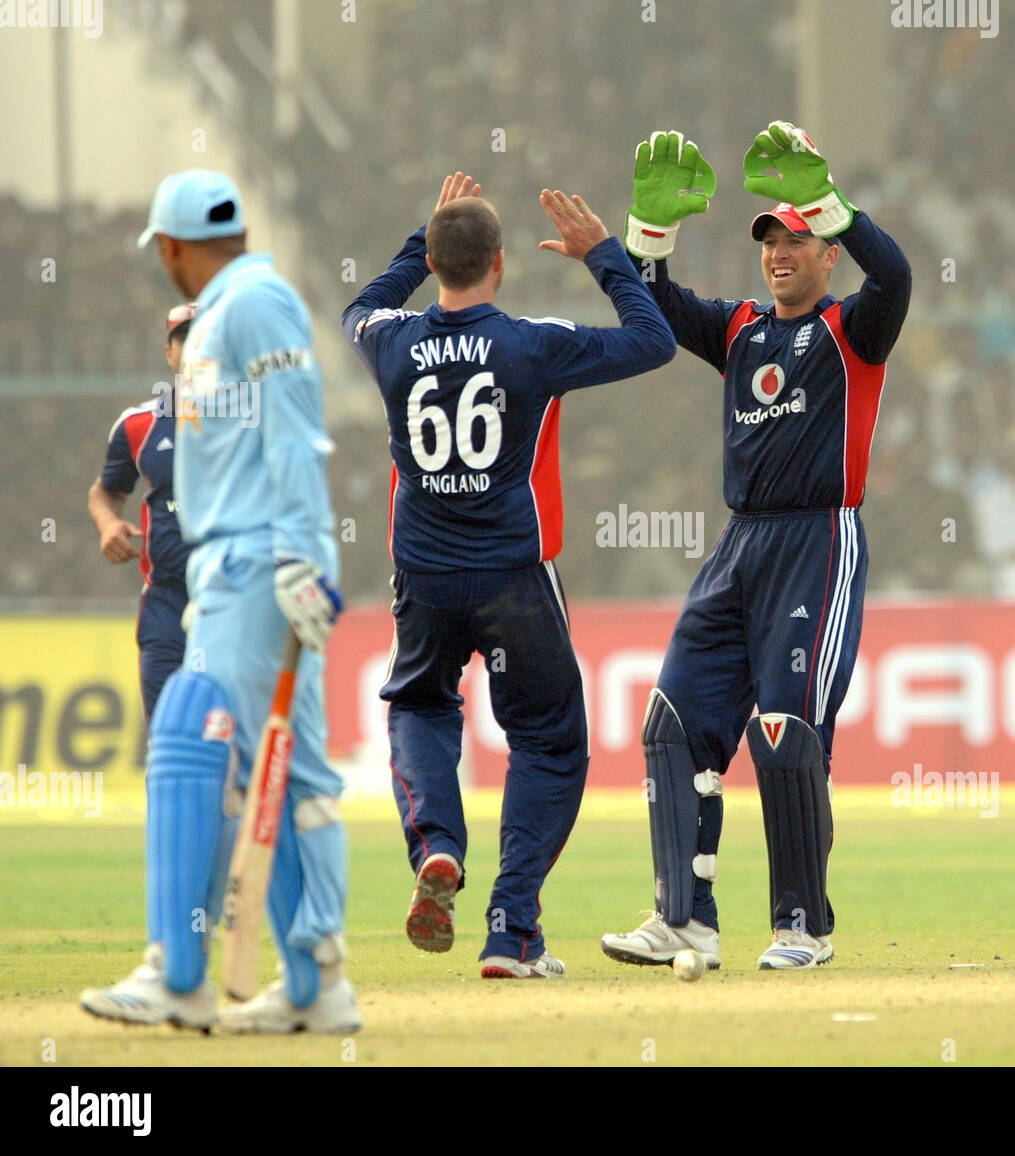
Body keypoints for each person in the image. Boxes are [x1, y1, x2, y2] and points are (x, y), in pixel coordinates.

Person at [343, 173, 674, 978]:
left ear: (433, 259)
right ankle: (512, 927)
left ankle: (439, 846)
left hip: (422, 574)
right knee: (551, 743)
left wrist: (415, 248)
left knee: (420, 704)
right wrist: (605, 256)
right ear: (500, 264)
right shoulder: (534, 343)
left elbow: (359, 305)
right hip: (514, 577)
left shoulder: (387, 340)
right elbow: (654, 339)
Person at [600, 124, 910, 970]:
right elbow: (654, 307)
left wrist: (834, 206)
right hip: (739, 545)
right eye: (770, 239)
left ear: (827, 256)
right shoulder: (738, 329)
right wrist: (648, 237)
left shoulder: (856, 330)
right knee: (673, 723)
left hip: (818, 541)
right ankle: (683, 918)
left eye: (796, 239)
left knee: (785, 731)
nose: (779, 252)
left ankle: (803, 927)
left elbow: (899, 273)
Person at [80, 169, 356, 1032]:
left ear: (171, 245)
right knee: (273, 772)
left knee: (199, 750)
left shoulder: (254, 303)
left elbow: (298, 433)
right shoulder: (226, 314)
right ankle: (311, 983)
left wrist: (305, 561)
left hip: (256, 565)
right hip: (224, 572)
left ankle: (185, 972)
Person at [88, 302, 196, 725]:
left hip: (235, 597)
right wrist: (108, 523)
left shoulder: (254, 418)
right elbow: (105, 492)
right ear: (169, 352)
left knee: (236, 747)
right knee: (169, 739)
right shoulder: (139, 424)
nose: (196, 346)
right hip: (166, 602)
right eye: (184, 337)